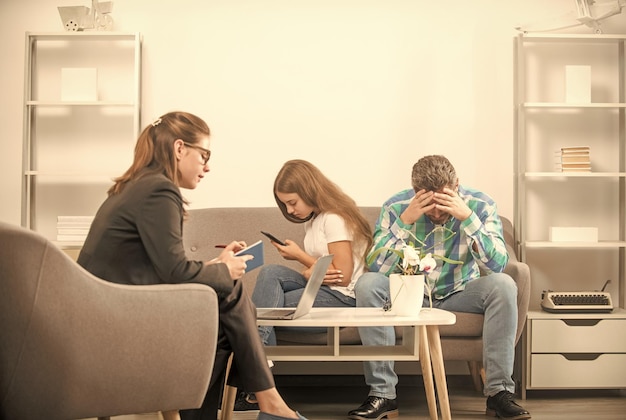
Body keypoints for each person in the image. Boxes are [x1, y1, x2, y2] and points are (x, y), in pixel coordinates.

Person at [77, 111, 306, 420]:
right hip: (119, 318)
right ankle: (270, 403)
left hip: (108, 309)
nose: (207, 166)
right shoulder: (160, 190)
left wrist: (215, 266)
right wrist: (222, 271)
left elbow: (163, 268)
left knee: (225, 308)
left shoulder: (137, 186)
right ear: (180, 148)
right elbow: (173, 272)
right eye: (204, 155)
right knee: (231, 294)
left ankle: (261, 403)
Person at [350, 155, 531, 420]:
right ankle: (383, 394)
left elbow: (498, 264)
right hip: (410, 295)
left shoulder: (480, 205)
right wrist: (404, 222)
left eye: (443, 202)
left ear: (456, 186)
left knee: (504, 285)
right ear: (415, 192)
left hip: (460, 292)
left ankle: (499, 394)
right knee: (367, 284)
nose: (436, 213)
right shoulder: (395, 207)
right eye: (429, 204)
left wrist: (468, 218)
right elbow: (376, 265)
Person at [238, 159, 372, 409]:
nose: (290, 211)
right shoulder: (316, 219)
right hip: (324, 289)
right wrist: (312, 270)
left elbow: (341, 276)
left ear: (309, 191)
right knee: (270, 274)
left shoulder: (334, 218)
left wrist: (302, 257)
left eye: (292, 202)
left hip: (343, 297)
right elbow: (322, 269)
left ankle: (256, 385)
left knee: (261, 308)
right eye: (285, 204)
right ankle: (259, 378)